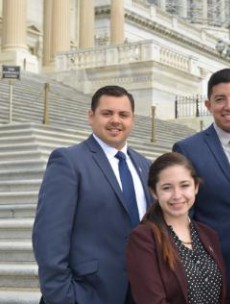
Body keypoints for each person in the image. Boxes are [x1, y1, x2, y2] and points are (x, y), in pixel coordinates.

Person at [32, 85, 153, 304]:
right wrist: (64, 297)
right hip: (88, 294)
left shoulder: (145, 166)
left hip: (140, 293)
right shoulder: (68, 161)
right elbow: (49, 236)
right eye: (107, 113)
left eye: (123, 114)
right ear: (91, 116)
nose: (116, 120)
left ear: (132, 120)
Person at [173, 68, 230, 302]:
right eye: (220, 99)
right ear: (208, 104)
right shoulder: (188, 150)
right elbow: (182, 218)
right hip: (217, 273)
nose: (229, 106)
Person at [126, 152, 228, 304]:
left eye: (184, 185)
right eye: (167, 188)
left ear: (196, 187)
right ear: (154, 192)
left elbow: (224, 296)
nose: (177, 195)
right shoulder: (144, 238)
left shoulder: (209, 235)